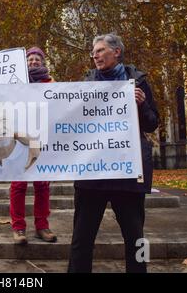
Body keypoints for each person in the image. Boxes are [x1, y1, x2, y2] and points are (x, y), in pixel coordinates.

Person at [68, 34, 159, 273]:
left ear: (116, 52)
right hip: (93, 173)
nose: (94, 55)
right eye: (93, 51)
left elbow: (152, 124)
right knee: (81, 239)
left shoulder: (139, 82)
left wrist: (143, 105)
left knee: (136, 238)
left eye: (99, 50)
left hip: (127, 173)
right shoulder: (85, 84)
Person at [9, 47, 56, 245]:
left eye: (37, 59)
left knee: (42, 184)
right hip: (20, 139)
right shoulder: (15, 83)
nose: (33, 62)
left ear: (43, 63)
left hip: (41, 138)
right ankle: (18, 228)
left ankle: (42, 226)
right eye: (30, 59)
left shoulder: (51, 83)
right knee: (18, 184)